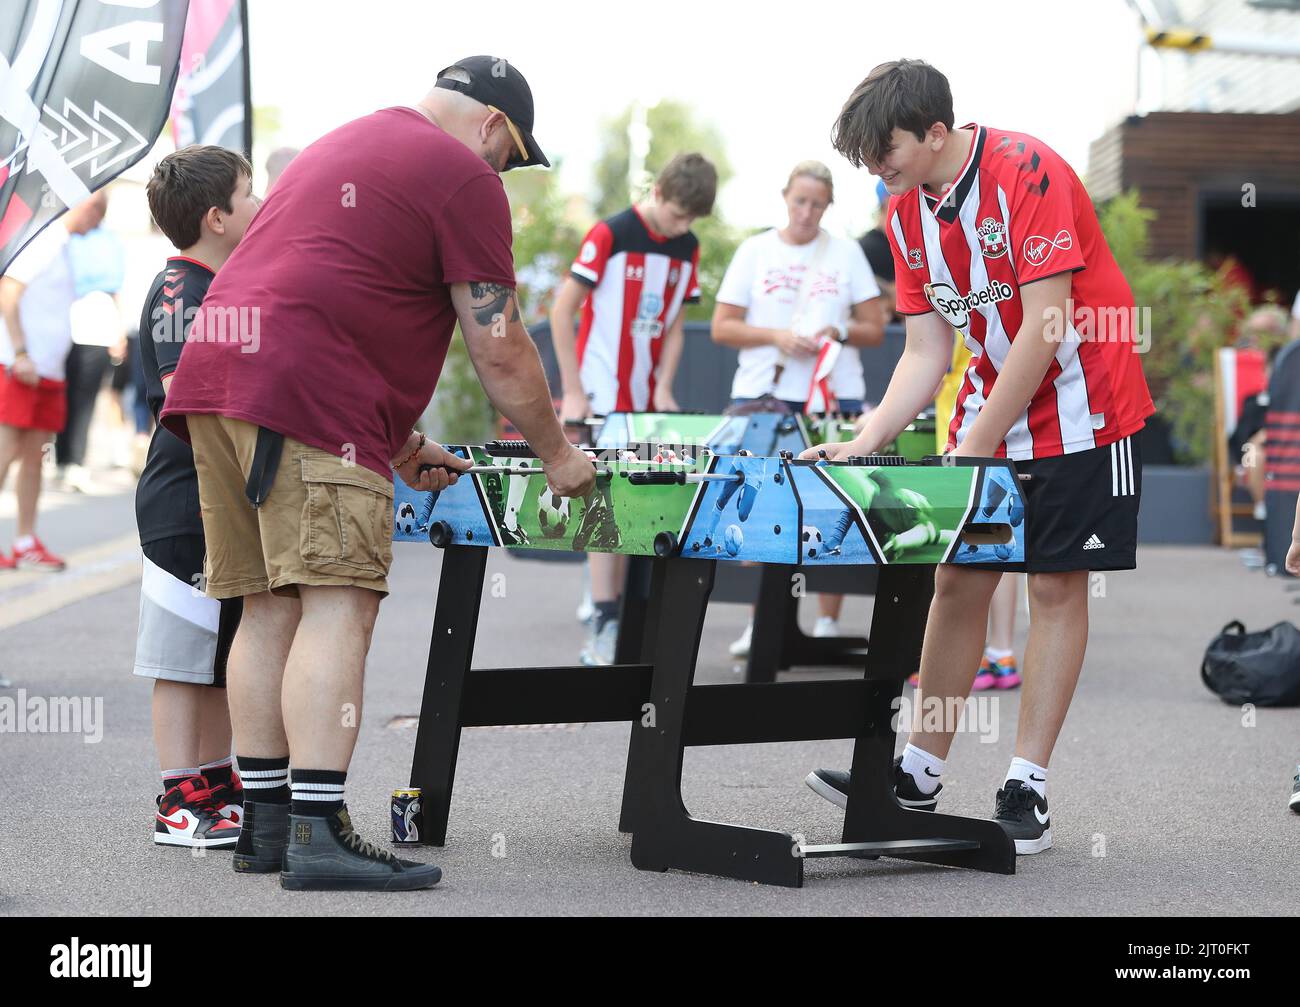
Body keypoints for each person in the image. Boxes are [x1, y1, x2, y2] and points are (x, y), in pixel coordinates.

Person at [160, 55, 595, 891]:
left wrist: (398, 444)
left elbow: (331, 290)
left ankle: (268, 823)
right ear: (494, 127)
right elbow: (499, 342)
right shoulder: (465, 175)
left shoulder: (345, 143)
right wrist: (558, 455)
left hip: (218, 383)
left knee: (266, 603)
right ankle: (320, 831)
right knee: (338, 601)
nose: (501, 171)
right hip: (301, 396)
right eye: (509, 156)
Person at [802, 60, 1154, 855]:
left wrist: (973, 447)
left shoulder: (1028, 170)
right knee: (957, 579)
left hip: (1083, 406)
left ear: (935, 132)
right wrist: (867, 438)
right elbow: (926, 350)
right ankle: (917, 776)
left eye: (881, 150)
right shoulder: (904, 214)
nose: (873, 167)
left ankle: (1027, 789)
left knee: (1057, 586)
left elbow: (1049, 323)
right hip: (992, 406)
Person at [136, 145, 262, 849]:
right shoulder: (183, 289)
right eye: (250, 193)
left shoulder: (225, 282)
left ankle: (215, 781)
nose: (261, 203)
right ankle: (178, 795)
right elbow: (187, 401)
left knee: (217, 655)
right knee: (182, 658)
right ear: (216, 217)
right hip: (184, 501)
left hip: (223, 500)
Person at [712, 160, 885, 652]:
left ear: (829, 206)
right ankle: (761, 618)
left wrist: (839, 332)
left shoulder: (846, 252)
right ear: (785, 197)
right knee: (757, 504)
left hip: (832, 394)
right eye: (800, 201)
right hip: (764, 394)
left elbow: (874, 327)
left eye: (818, 204)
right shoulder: (755, 249)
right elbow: (724, 325)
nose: (807, 212)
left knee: (836, 502)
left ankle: (828, 619)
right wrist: (777, 338)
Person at [550, 153, 716, 666]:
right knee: (604, 506)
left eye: (691, 219)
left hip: (648, 405)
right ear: (659, 192)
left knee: (644, 507)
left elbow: (671, 326)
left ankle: (629, 613)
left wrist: (665, 384)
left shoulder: (687, 246)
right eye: (676, 214)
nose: (682, 226)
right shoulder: (611, 233)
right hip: (602, 395)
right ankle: (604, 620)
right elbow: (561, 310)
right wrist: (573, 391)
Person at [0, 192, 108, 572]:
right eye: (100, 214)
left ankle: (25, 541)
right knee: (6, 451)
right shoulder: (44, 236)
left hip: (47, 369)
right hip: (23, 366)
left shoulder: (59, 244)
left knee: (35, 458)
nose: (97, 225)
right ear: (87, 206)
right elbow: (8, 289)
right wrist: (21, 352)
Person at [57, 217, 127, 492]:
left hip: (97, 331)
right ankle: (63, 460)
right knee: (65, 396)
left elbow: (116, 291)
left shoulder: (108, 241)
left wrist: (119, 331)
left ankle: (74, 462)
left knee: (85, 401)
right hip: (67, 328)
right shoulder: (66, 238)